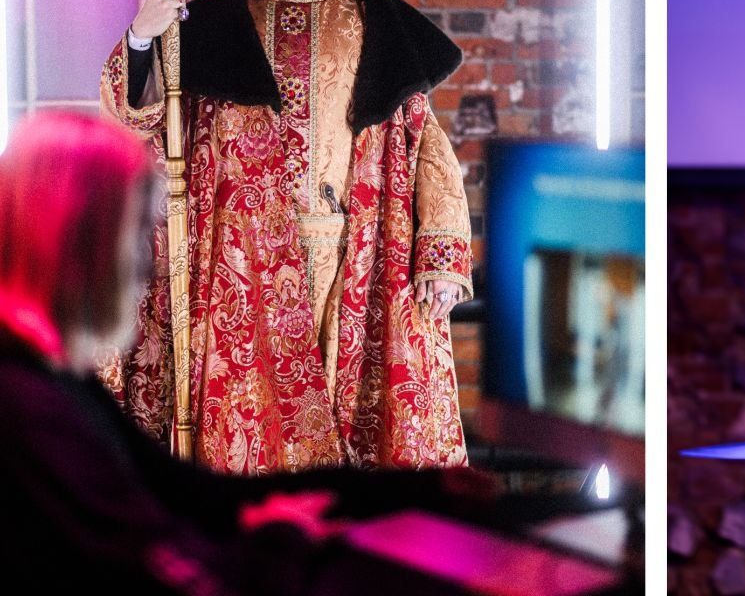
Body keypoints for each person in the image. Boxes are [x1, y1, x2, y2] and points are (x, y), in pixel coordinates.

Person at [100, 0, 471, 470]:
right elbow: (133, 117)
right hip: (240, 258)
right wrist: (143, 34)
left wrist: (442, 255)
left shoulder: (375, 22)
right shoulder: (212, 26)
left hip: (354, 254)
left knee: (349, 422)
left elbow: (424, 142)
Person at [0, 110, 458, 591]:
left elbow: (196, 494)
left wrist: (421, 491)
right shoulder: (25, 405)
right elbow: (176, 573)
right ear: (80, 244)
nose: (148, 265)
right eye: (135, 235)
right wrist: (285, 535)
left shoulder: (56, 379)